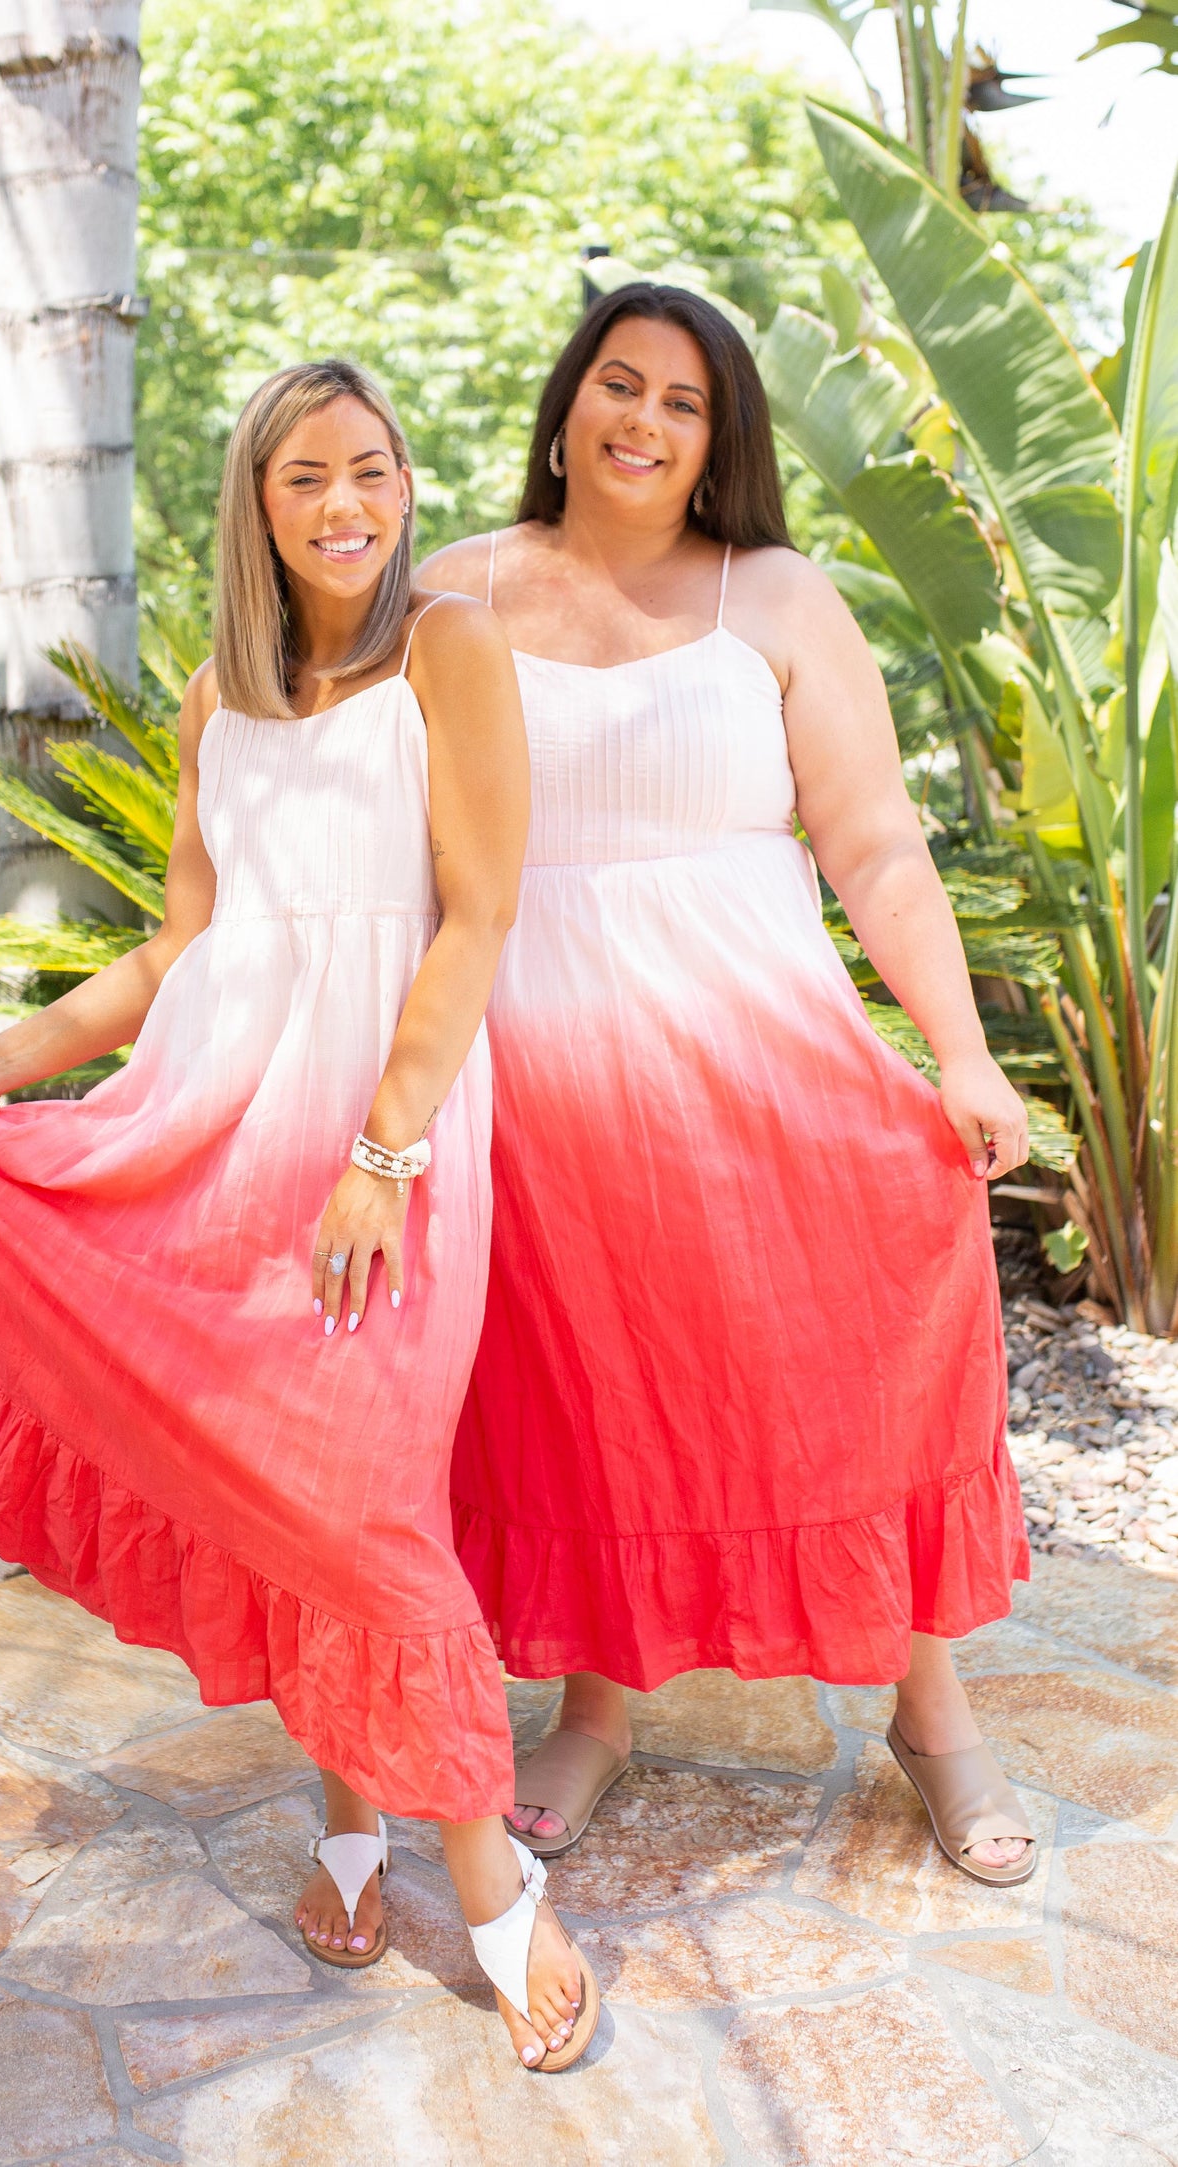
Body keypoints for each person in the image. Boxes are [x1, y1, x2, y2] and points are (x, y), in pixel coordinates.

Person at [0, 358, 600, 2067]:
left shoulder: (451, 650)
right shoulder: (219, 695)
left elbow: (477, 917)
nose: (346, 505)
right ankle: (349, 1822)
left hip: (385, 1136)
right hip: (213, 1124)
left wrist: (383, 1151)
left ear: (406, 482)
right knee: (284, 1483)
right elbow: (178, 949)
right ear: (256, 507)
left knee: (363, 1493)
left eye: (372, 469)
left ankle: (487, 1883)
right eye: (305, 478)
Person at [422, 286, 1036, 1887]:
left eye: (682, 402)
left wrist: (960, 1052)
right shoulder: (449, 591)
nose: (642, 419)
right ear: (567, 404)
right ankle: (595, 1710)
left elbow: (872, 843)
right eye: (617, 383)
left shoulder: (773, 593)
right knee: (584, 1402)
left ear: (719, 440)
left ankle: (930, 1713)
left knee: (842, 1367)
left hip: (766, 1064)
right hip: (537, 1083)